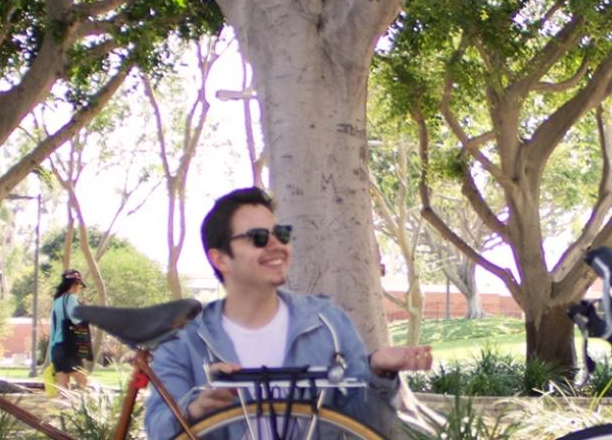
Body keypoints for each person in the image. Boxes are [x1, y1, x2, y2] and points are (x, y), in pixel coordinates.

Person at [144, 187, 433, 440]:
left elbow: (369, 426)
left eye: (281, 233)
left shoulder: (328, 323)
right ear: (220, 259)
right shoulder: (183, 341)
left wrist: (378, 371)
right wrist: (194, 409)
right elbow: (157, 429)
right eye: (258, 237)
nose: (277, 245)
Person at [50, 270, 94, 391]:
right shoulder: (70, 298)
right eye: (79, 285)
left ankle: (61, 410)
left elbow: (53, 328)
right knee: (84, 385)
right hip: (68, 349)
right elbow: (76, 320)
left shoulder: (57, 301)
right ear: (74, 284)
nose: (79, 288)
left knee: (63, 391)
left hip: (56, 349)